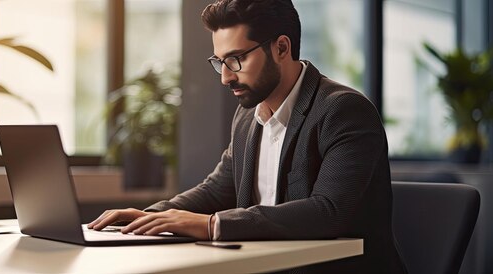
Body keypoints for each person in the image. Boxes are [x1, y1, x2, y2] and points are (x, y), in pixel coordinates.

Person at [89, 0, 406, 272]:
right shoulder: (246, 117)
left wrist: (213, 225)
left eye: (236, 60)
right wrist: (150, 217)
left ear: (281, 47)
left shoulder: (344, 111)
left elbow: (328, 211)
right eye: (220, 62)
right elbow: (216, 190)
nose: (226, 76)